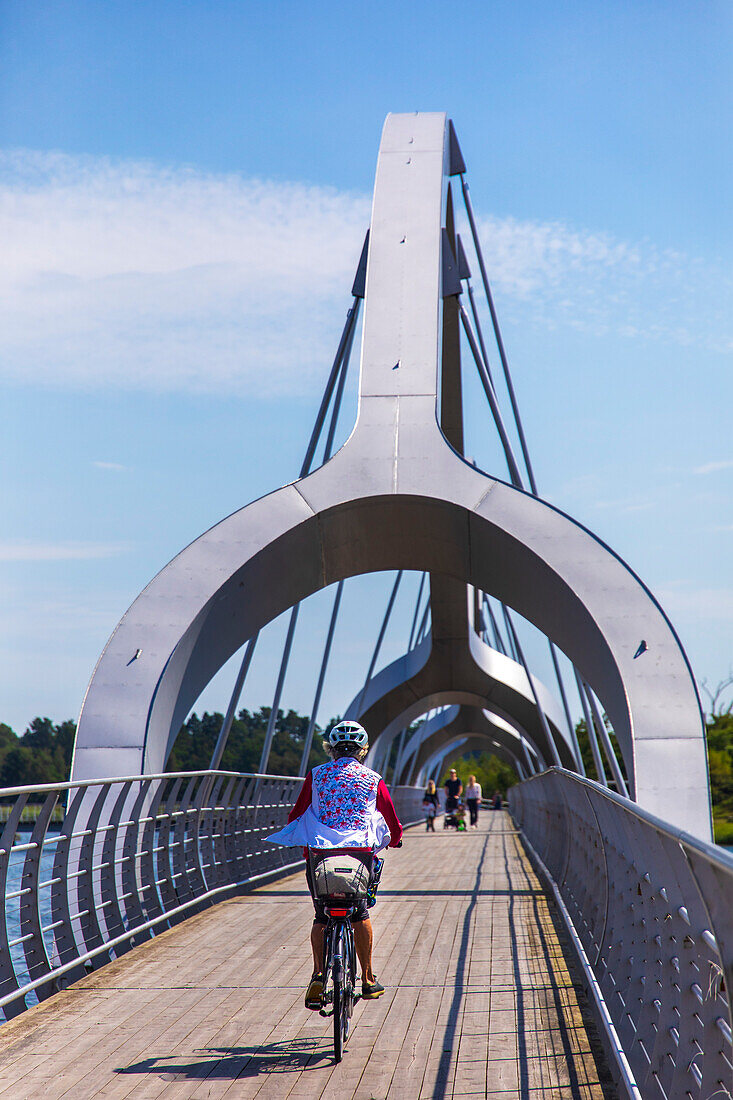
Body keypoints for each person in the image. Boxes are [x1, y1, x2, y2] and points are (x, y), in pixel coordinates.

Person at [266, 720, 402, 1010]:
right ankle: (366, 978)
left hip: (321, 855)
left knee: (321, 915)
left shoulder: (316, 775)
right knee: (360, 912)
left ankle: (318, 974)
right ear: (362, 751)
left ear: (331, 749)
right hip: (360, 853)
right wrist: (396, 838)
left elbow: (297, 812)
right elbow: (390, 816)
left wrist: (300, 836)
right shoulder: (373, 778)